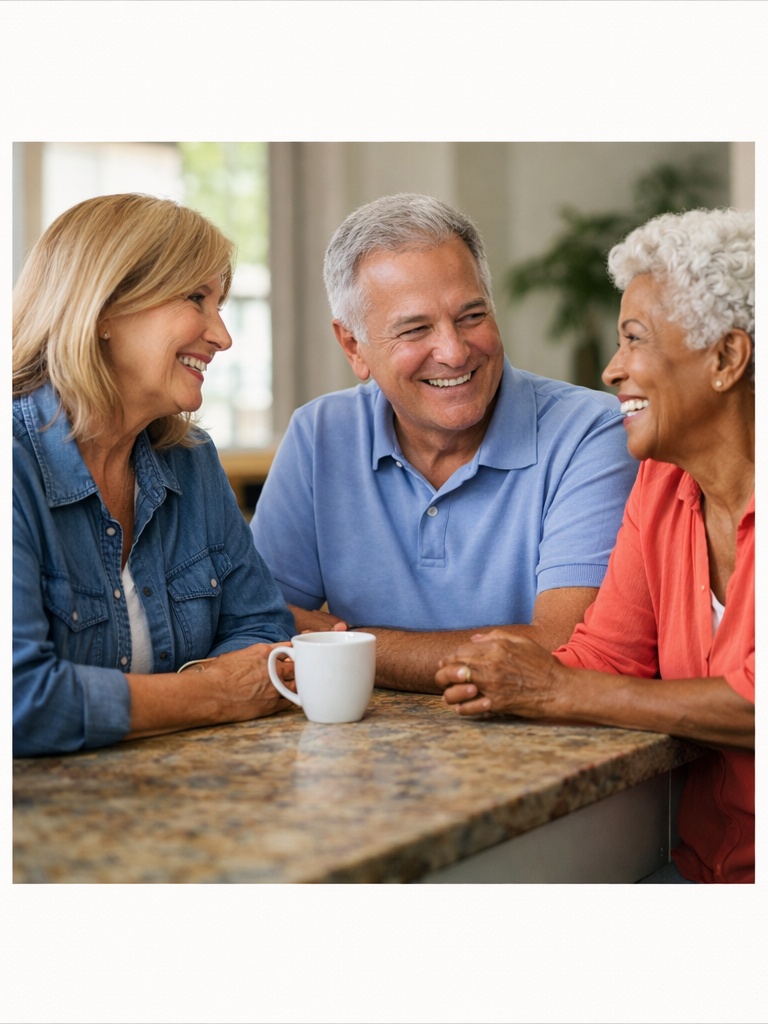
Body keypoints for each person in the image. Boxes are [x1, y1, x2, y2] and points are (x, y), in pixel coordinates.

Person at [437, 208, 755, 883]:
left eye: (634, 339)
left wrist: (554, 691)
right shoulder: (662, 486)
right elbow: (604, 658)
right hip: (702, 871)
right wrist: (497, 671)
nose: (613, 370)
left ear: (726, 357)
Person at [251, 193, 638, 692]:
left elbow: (564, 647)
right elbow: (257, 623)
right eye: (415, 329)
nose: (454, 352)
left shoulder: (593, 432)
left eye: (472, 316)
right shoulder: (319, 433)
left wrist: (343, 647)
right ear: (353, 346)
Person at [13, 193, 296, 757]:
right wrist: (213, 694)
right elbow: (20, 701)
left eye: (220, 304)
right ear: (103, 312)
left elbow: (263, 630)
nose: (222, 335)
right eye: (197, 298)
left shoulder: (190, 460)